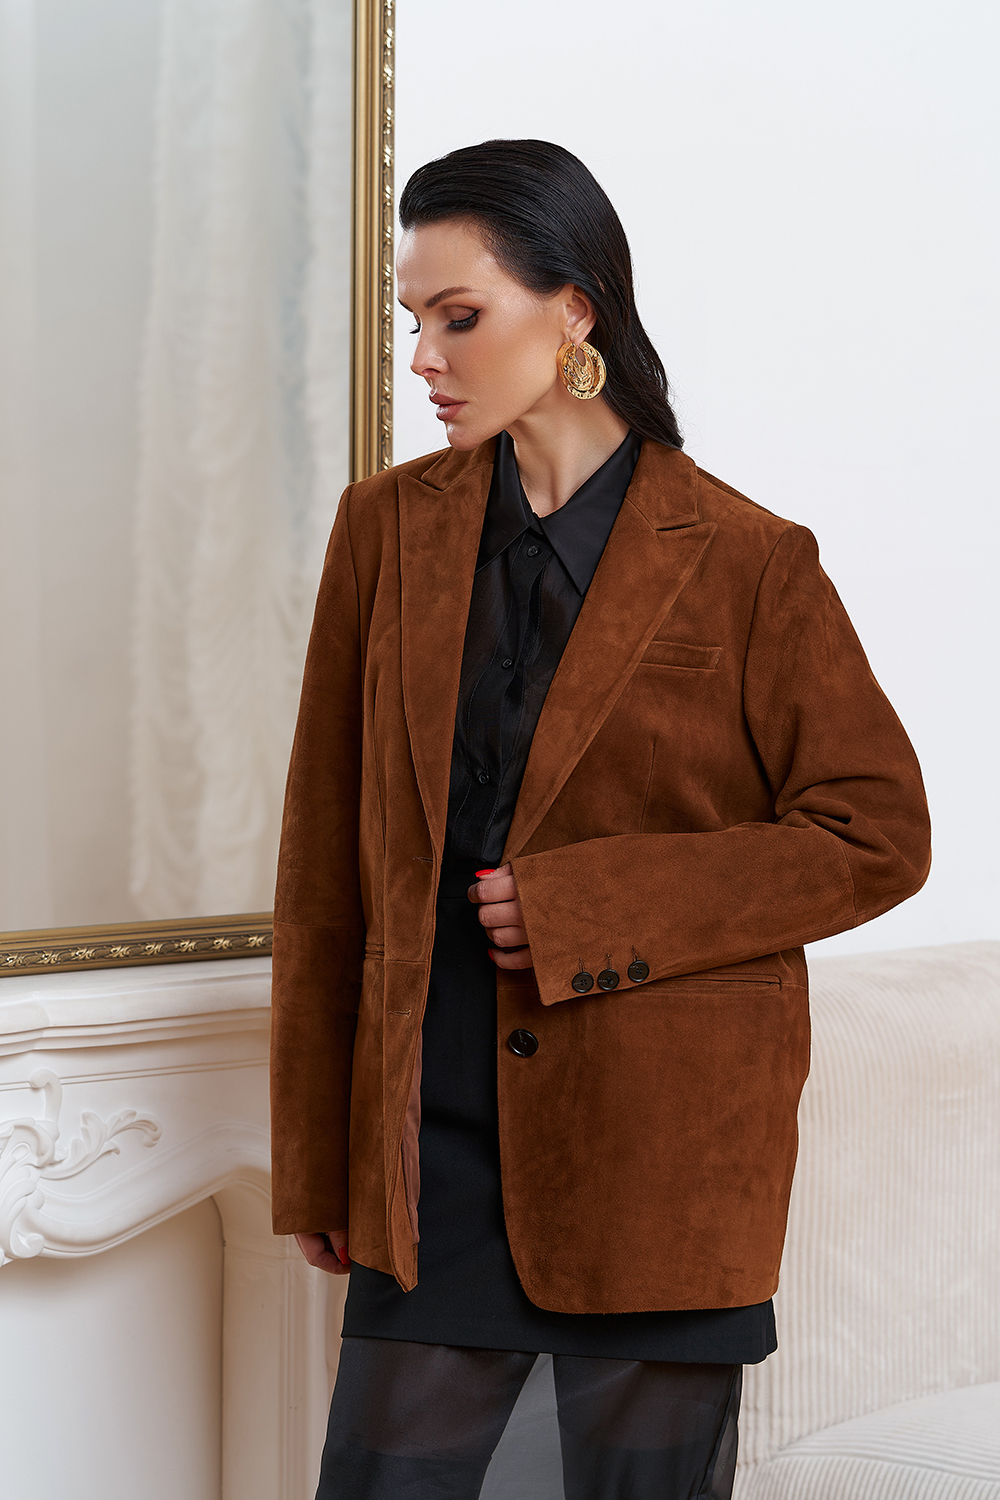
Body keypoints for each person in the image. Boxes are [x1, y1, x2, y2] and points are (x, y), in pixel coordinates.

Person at [269, 139, 931, 1500]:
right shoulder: (385, 531)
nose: (425, 358)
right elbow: (325, 860)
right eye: (415, 321)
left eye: (461, 317)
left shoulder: (749, 560)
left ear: (573, 312)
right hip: (428, 1139)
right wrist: (322, 1157)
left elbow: (875, 833)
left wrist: (590, 909)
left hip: (659, 1148)